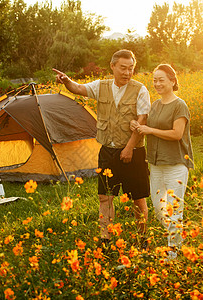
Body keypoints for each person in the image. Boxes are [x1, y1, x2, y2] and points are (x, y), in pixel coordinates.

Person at [53, 49, 151, 246]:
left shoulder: (140, 89)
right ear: (112, 66)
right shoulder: (101, 86)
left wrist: (129, 148)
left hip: (134, 152)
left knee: (138, 199)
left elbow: (143, 120)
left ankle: (143, 238)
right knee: (104, 197)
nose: (127, 72)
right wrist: (66, 81)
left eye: (130, 68)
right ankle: (105, 238)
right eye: (123, 68)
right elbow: (79, 88)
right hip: (108, 150)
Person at [130, 64, 194, 260]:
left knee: (175, 209)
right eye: (155, 80)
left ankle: (173, 250)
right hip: (156, 164)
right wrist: (137, 124)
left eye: (161, 80)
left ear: (172, 81)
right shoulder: (155, 106)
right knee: (159, 208)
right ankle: (177, 233)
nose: (157, 84)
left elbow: (176, 134)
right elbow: (146, 125)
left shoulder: (179, 105)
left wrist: (150, 131)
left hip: (176, 164)